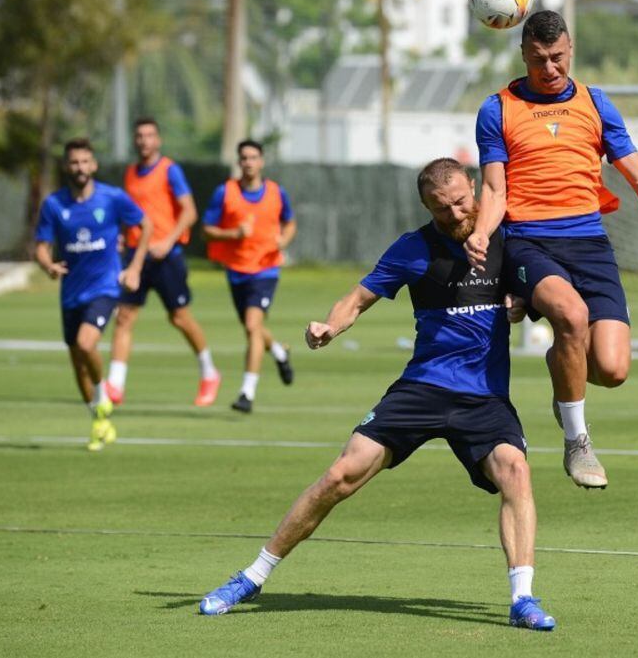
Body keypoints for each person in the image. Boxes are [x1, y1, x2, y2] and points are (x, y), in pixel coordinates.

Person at [198, 158, 555, 630]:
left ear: (473, 188)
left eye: (459, 201)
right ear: (425, 206)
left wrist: (523, 301)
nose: (452, 213)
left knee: (516, 472)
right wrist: (330, 324)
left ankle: (522, 599)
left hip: (483, 397)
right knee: (339, 476)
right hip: (422, 387)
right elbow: (358, 297)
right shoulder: (414, 247)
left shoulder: (506, 240)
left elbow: (542, 290)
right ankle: (252, 576)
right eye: (440, 207)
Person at [466, 10, 638, 489]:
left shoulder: (596, 103)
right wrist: (482, 234)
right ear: (523, 54)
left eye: (558, 57)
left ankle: (564, 370)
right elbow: (495, 190)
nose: (550, 68)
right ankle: (577, 443)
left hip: (589, 243)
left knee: (612, 368)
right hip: (529, 241)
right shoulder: (496, 109)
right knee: (571, 314)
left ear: (571, 49)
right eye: (539, 59)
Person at [34, 138, 151, 451]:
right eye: (74, 162)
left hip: (105, 286)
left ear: (94, 165)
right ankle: (100, 420)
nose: (80, 168)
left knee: (88, 343)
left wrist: (135, 267)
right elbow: (41, 247)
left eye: (85, 162)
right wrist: (48, 266)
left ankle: (104, 395)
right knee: (77, 362)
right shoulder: (54, 205)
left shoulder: (112, 198)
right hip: (71, 293)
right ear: (66, 166)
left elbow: (145, 225)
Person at [106, 117, 220, 407]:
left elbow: (189, 212)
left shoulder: (171, 170)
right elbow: (131, 213)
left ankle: (209, 371)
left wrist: (168, 241)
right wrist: (121, 236)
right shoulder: (131, 173)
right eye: (139, 135)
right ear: (135, 140)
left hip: (167, 258)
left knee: (179, 317)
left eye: (149, 135)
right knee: (124, 316)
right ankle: (115, 385)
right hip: (136, 255)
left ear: (158, 140)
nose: (144, 140)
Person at [203, 139, 297, 413]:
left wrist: (284, 240)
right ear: (238, 161)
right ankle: (279, 352)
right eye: (243, 157)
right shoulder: (225, 192)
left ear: (261, 161)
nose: (248, 162)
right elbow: (206, 230)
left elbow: (290, 222)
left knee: (252, 326)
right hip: (236, 271)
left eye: (253, 157)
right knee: (252, 328)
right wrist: (233, 234)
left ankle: (247, 391)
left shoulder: (277, 193)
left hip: (266, 269)